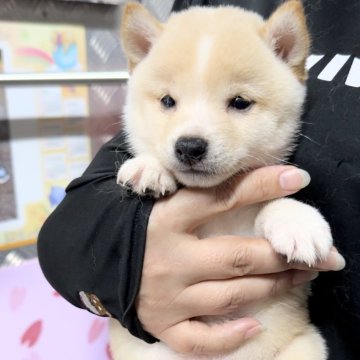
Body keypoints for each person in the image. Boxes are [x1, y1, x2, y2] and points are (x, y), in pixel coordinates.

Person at [37, 0, 360, 359]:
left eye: (238, 103)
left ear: (286, 54)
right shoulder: (143, 165)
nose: (191, 137)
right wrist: (123, 265)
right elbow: (66, 238)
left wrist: (282, 213)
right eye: (169, 101)